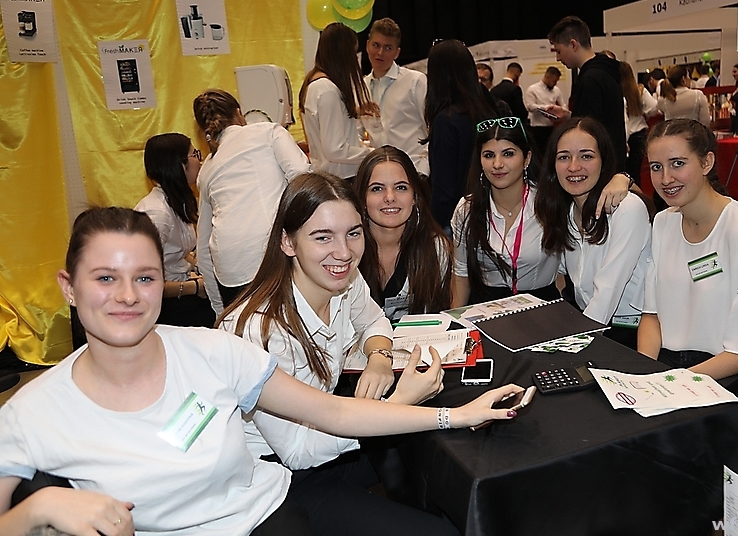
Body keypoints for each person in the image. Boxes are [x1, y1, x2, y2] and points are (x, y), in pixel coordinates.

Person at [0, 207, 520, 536]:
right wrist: (38, 508)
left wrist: (457, 415)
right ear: (69, 288)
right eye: (105, 278)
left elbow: (335, 413)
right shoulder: (32, 412)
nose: (127, 296)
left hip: (269, 514)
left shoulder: (212, 353)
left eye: (145, 277)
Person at [217, 172, 457, 535]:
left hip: (327, 439)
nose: (344, 252)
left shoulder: (342, 277)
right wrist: (398, 403)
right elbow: (299, 452)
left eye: (353, 233)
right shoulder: (261, 330)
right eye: (323, 237)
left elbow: (374, 320)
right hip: (280, 477)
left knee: (437, 462)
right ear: (287, 242)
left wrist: (380, 358)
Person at [638, 119, 738, 380]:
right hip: (665, 367)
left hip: (721, 373)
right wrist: (646, 375)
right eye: (656, 167)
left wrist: (674, 382)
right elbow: (651, 315)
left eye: (678, 163)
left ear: (707, 163)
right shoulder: (663, 223)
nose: (666, 179)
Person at [535, 118, 651, 349]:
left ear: (603, 160)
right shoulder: (566, 212)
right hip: (586, 321)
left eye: (586, 156)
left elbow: (608, 290)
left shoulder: (626, 209)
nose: (573, 167)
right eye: (564, 157)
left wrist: (570, 347)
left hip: (629, 334)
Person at [193, 88, 311, 313]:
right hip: (272, 256)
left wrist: (220, 311)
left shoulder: (207, 168)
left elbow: (204, 246)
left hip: (229, 271)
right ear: (239, 113)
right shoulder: (267, 132)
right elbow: (302, 178)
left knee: (248, 333)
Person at [451, 116, 560, 306]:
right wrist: (455, 321)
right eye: (489, 155)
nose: (497, 164)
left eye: (508, 154)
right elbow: (461, 274)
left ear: (527, 158)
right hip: (485, 308)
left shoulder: (550, 204)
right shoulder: (466, 209)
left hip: (541, 307)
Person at [354, 146, 453, 321]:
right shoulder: (346, 250)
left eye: (401, 187)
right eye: (377, 189)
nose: (390, 197)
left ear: (414, 197)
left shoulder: (436, 248)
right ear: (362, 199)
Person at [134, 133, 215, 328]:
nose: (200, 161)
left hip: (184, 285)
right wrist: (195, 287)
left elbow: (175, 250)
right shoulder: (157, 214)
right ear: (179, 164)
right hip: (166, 303)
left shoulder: (176, 202)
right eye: (195, 155)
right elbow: (140, 281)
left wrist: (197, 266)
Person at [423, 39, 497, 230]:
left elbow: (444, 187)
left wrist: (435, 228)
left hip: (457, 220)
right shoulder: (485, 107)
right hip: (488, 211)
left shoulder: (446, 120)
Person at [546, 16, 628, 178]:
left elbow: (588, 130)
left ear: (573, 44)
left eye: (559, 51)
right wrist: (569, 115)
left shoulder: (590, 79)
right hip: (611, 161)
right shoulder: (605, 72)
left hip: (600, 167)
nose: (558, 58)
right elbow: (599, 116)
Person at [299, 22, 374, 180]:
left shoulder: (315, 84)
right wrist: (372, 153)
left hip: (329, 175)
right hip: (342, 177)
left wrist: (355, 111)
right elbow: (335, 150)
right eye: (353, 52)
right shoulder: (327, 90)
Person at [363, 19, 429, 177]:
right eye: (376, 45)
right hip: (379, 174)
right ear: (367, 45)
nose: (380, 53)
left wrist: (423, 170)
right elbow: (356, 133)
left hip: (413, 171)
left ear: (397, 52)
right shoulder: (361, 87)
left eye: (388, 48)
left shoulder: (415, 81)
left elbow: (431, 129)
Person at [619, 61, 659, 185]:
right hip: (638, 134)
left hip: (621, 136)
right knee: (635, 172)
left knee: (621, 172)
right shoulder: (639, 90)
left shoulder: (614, 91)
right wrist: (645, 113)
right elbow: (654, 107)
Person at [524, 66, 566, 155]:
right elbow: (530, 106)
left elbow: (563, 104)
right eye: (554, 81)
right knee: (538, 154)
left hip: (551, 127)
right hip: (537, 128)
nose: (555, 83)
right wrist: (546, 107)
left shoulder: (556, 90)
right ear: (547, 77)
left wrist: (563, 111)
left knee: (551, 152)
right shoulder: (533, 89)